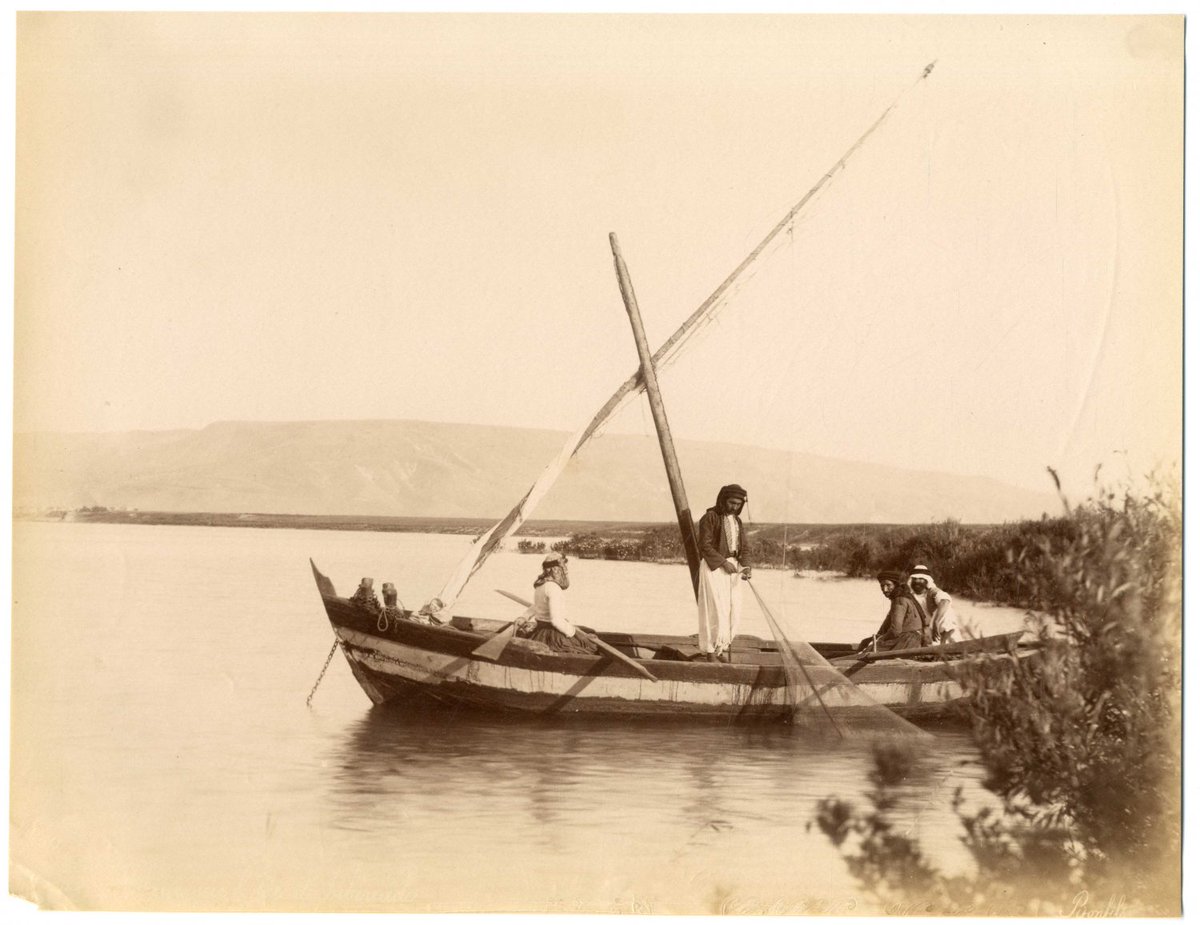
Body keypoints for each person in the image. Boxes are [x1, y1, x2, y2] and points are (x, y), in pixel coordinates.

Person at [695, 484, 752, 664]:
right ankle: (710, 651)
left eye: (738, 504)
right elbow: (704, 545)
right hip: (715, 568)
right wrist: (722, 562)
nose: (734, 507)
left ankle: (721, 649)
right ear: (723, 500)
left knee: (732, 611)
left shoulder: (737, 521)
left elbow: (745, 547)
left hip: (733, 568)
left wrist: (746, 566)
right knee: (715, 610)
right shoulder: (710, 518)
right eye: (731, 502)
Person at [517, 552, 597, 655]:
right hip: (553, 634)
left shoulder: (541, 585)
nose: (565, 572)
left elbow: (537, 606)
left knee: (585, 632)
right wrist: (574, 632)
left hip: (540, 631)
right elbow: (556, 621)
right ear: (556, 570)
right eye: (563, 569)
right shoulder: (554, 588)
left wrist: (524, 617)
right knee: (590, 646)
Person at [858, 569, 926, 652]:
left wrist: (879, 639)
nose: (884, 589)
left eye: (888, 585)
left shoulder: (899, 600)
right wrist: (877, 636)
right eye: (882, 586)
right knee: (864, 643)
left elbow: (895, 630)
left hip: (906, 641)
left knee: (866, 652)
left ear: (896, 585)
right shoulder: (902, 598)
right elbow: (887, 623)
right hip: (910, 639)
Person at [907, 564, 961, 643]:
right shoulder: (910, 596)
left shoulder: (932, 592)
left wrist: (936, 622)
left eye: (921, 579)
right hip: (922, 629)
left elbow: (945, 601)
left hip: (937, 627)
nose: (917, 581)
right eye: (915, 579)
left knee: (947, 611)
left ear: (926, 580)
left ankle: (945, 641)